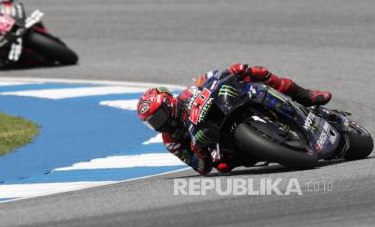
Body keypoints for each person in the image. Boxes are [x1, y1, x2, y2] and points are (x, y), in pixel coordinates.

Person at [137, 63, 332, 175]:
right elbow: (202, 169)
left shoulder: (189, 93)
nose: (159, 124)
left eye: (159, 116)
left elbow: (213, 76)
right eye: (152, 122)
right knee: (222, 166)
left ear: (169, 103)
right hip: (220, 145)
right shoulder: (171, 141)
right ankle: (271, 149)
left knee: (256, 72)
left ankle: (305, 95)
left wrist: (234, 70)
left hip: (229, 105)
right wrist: (199, 151)